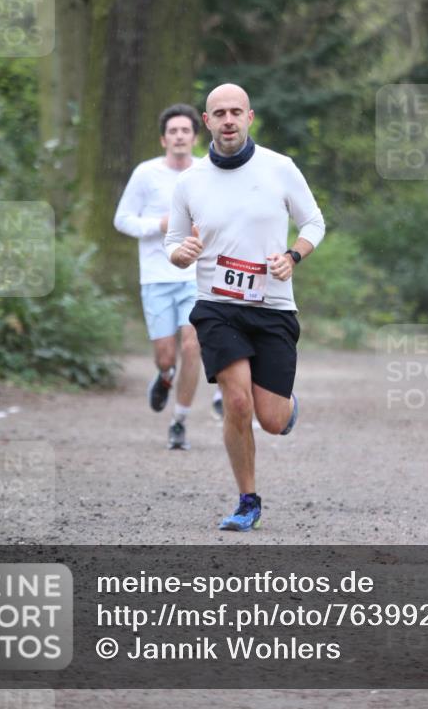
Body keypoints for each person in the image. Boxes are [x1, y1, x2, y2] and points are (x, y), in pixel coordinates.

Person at [165, 83, 325, 530]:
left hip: (272, 305)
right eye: (220, 113)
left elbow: (314, 221)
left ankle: (286, 408)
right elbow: (174, 242)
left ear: (250, 117)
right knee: (237, 402)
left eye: (237, 111)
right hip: (217, 305)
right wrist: (180, 254)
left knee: (270, 419)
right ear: (207, 121)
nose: (229, 119)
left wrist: (293, 256)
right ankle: (247, 500)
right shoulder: (190, 181)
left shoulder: (279, 168)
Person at [114, 103, 211, 450]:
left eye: (186, 130)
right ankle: (165, 375)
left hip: (195, 278)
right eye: (174, 131)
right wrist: (159, 225)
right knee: (166, 355)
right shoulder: (146, 174)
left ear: (195, 137)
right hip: (156, 277)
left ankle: (179, 421)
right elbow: (122, 219)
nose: (180, 136)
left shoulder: (206, 171)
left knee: (192, 344)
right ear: (163, 139)